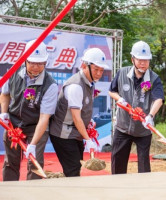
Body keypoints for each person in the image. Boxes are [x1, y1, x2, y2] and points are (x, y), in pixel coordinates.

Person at [0, 40, 58, 181]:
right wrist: (4, 112)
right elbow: (5, 94)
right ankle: (10, 191)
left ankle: (33, 194)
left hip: (36, 125)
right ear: (25, 59)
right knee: (10, 162)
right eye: (32, 62)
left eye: (40, 63)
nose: (36, 67)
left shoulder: (50, 85)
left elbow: (44, 118)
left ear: (45, 62)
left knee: (35, 163)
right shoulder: (13, 73)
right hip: (13, 123)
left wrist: (32, 145)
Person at [49, 48, 108, 177]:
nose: (99, 73)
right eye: (96, 69)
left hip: (75, 134)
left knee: (75, 167)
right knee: (73, 169)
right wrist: (88, 139)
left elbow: (83, 110)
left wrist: (89, 121)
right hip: (64, 134)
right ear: (84, 65)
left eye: (101, 70)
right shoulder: (75, 86)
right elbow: (76, 118)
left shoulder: (89, 83)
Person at [109, 41, 164, 174]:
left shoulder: (154, 78)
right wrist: (119, 98)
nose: (143, 63)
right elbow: (112, 91)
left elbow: (158, 99)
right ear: (133, 59)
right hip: (122, 127)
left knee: (144, 165)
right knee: (118, 163)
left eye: (146, 60)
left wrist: (150, 116)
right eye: (140, 60)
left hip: (143, 129)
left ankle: (144, 191)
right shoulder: (122, 73)